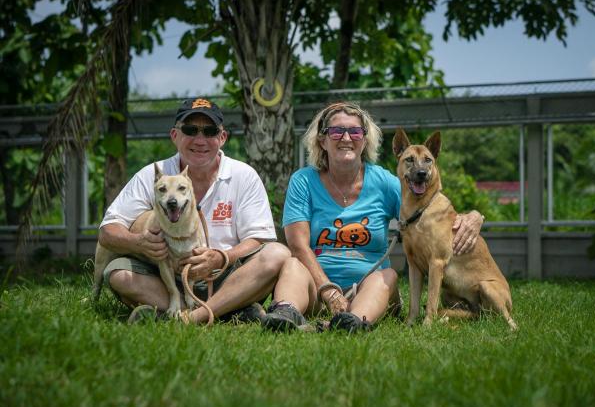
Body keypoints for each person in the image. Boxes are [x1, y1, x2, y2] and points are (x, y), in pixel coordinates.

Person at [264, 101, 484, 333]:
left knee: (387, 275)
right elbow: (298, 245)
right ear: (322, 140)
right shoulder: (304, 181)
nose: (346, 138)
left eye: (355, 131)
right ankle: (285, 314)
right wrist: (328, 291)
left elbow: (432, 211)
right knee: (292, 263)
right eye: (337, 131)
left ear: (365, 140)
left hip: (369, 290)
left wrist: (475, 216)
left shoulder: (385, 182)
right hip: (317, 289)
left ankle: (352, 321)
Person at [97, 97, 305, 324]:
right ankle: (227, 311)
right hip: (165, 278)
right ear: (175, 135)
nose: (200, 139)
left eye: (210, 131)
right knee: (119, 275)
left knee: (278, 253)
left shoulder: (243, 175)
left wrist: (222, 257)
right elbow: (108, 231)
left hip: (226, 277)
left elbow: (259, 239)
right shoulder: (151, 175)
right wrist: (139, 242)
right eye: (190, 129)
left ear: (222, 137)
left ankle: (188, 316)